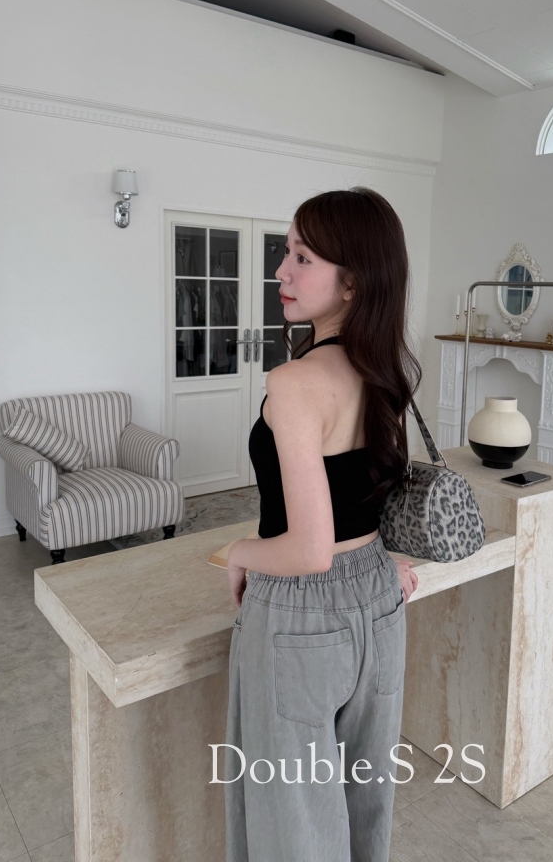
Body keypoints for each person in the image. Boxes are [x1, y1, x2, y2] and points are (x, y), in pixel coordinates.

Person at [224, 187, 420, 862]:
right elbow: (359, 491)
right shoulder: (381, 369)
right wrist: (379, 561)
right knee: (366, 806)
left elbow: (309, 550)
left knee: (295, 829)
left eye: (302, 257)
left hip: (300, 620)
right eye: (287, 252)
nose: (281, 270)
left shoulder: (295, 382)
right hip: (378, 599)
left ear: (351, 282)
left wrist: (238, 551)